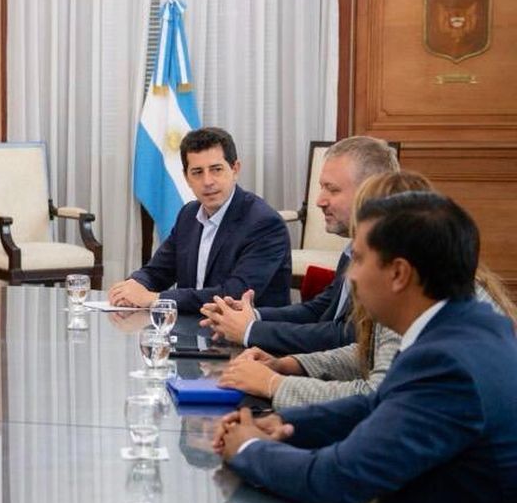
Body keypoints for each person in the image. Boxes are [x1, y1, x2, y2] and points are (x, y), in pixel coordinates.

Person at [214, 192, 517, 503]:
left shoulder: (448, 363)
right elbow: (378, 405)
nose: (350, 277)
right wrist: (279, 423)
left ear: (398, 273)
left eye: (357, 260)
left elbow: (337, 479)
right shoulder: (472, 326)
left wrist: (249, 449)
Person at [218, 171, 517, 407]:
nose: (354, 270)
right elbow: (365, 353)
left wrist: (273, 386)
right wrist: (290, 364)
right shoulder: (421, 286)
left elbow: (376, 399)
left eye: (360, 255)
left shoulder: (423, 299)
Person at [200, 135, 399, 354]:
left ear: (370, 191)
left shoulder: (388, 258)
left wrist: (251, 331)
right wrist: (252, 316)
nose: (319, 201)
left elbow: (347, 337)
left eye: (332, 190)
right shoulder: (353, 247)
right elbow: (320, 310)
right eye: (321, 187)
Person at [108, 127, 291, 314]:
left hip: (250, 338)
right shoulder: (188, 215)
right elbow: (157, 271)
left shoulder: (265, 224)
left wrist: (155, 299)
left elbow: (233, 294)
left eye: (216, 169)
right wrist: (133, 286)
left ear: (235, 169)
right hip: (192, 331)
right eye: (197, 172)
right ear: (186, 178)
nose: (207, 181)